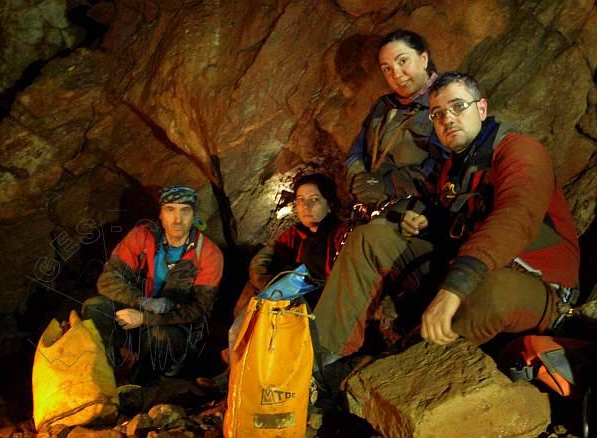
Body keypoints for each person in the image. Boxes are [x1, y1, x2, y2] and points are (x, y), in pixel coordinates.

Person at [314, 72, 580, 360]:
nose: (447, 119)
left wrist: (455, 287)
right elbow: (441, 209)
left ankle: (399, 366)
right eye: (438, 114)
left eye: (458, 106)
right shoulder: (453, 169)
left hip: (536, 283)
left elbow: (516, 216)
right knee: (371, 239)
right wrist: (417, 218)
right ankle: (322, 356)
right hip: (471, 269)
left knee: (490, 293)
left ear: (481, 108)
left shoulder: (519, 151)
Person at [82, 185, 224, 383]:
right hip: (134, 311)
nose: (177, 219)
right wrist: (142, 302)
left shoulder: (208, 254)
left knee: (159, 337)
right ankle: (108, 375)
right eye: (170, 210)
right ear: (161, 214)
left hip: (173, 326)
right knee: (95, 307)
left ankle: (137, 385)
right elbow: (108, 280)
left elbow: (197, 309)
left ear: (193, 215)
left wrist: (145, 318)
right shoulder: (142, 236)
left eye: (185, 211)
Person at [346, 29, 440, 206]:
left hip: (418, 206)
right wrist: (359, 179)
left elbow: (443, 166)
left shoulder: (444, 102)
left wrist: (387, 185)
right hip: (374, 203)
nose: (396, 74)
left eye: (402, 61)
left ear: (424, 59)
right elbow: (357, 149)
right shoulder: (383, 106)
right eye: (387, 69)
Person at [234, 173, 347, 314]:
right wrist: (268, 284)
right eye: (301, 200)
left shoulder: (341, 236)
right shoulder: (293, 234)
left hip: (323, 307)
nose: (306, 206)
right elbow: (265, 260)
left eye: (314, 199)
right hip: (286, 303)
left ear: (329, 205)